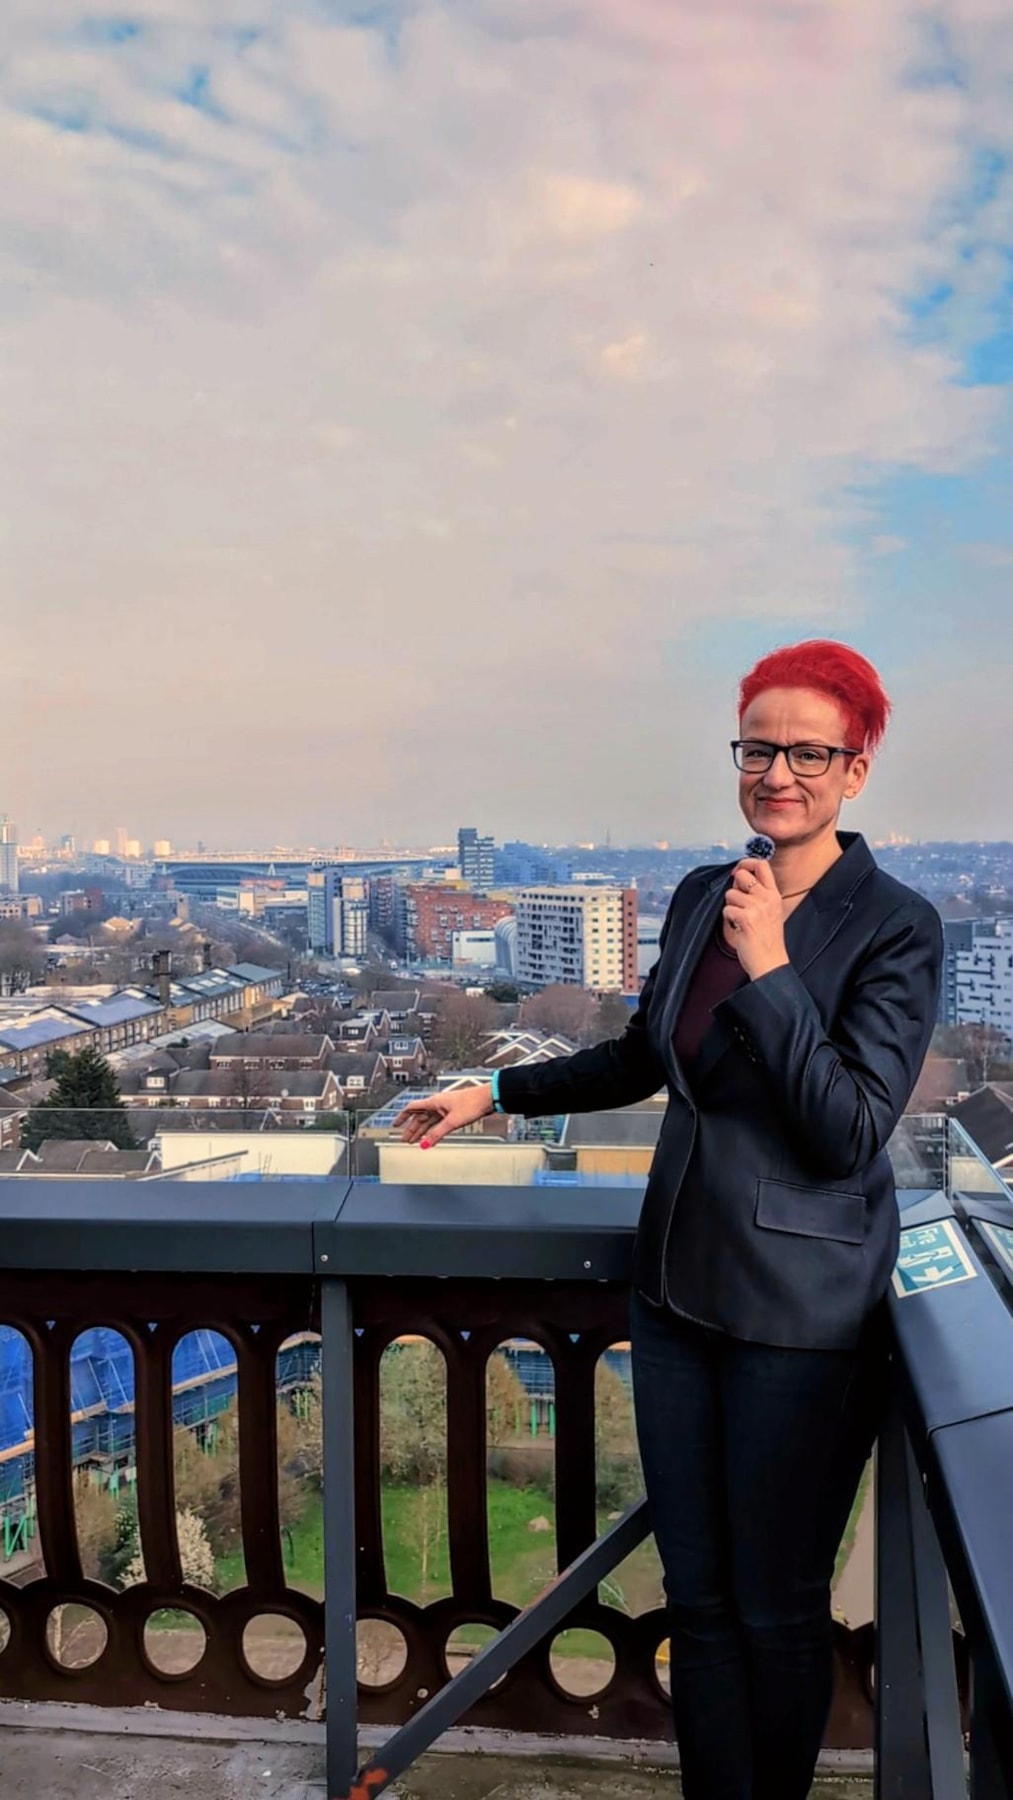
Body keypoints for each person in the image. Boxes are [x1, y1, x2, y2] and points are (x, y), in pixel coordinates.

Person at [395, 639, 943, 1800]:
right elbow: (647, 1054)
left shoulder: (893, 925)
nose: (775, 772)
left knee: (773, 1607)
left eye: (806, 751)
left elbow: (845, 1126)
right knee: (693, 1601)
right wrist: (496, 1090)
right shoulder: (706, 893)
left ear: (855, 768)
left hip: (800, 1319)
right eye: (757, 747)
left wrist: (771, 970)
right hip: (678, 1295)